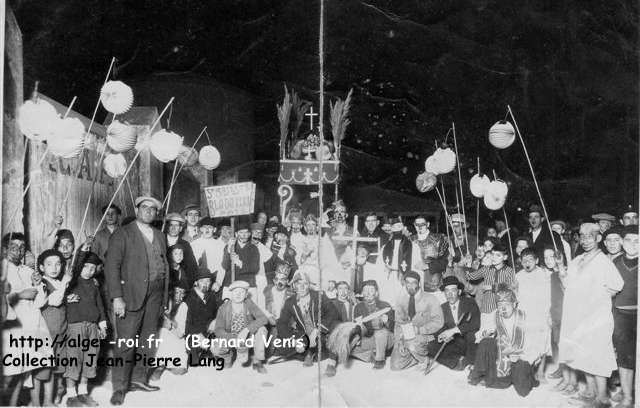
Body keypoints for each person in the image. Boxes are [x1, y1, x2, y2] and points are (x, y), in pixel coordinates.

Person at [105, 196, 169, 405]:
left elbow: (165, 266)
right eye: (145, 208)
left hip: (155, 294)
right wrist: (117, 298)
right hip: (130, 294)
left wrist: (164, 297)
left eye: (153, 209)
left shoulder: (160, 235)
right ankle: (120, 387)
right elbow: (111, 266)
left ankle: (139, 379)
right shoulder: (122, 233)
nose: (149, 212)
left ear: (156, 213)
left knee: (147, 339)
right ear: (136, 209)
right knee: (125, 342)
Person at [558, 223, 623, 407]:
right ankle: (591, 392)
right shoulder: (578, 260)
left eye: (590, 236)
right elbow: (567, 285)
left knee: (598, 356)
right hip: (578, 318)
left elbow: (616, 286)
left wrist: (596, 299)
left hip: (597, 318)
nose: (585, 240)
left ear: (598, 238)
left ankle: (602, 398)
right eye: (582, 236)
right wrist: (561, 270)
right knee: (583, 354)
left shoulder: (603, 262)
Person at [3, 232, 54, 406]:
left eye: (22, 247)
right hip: (12, 325)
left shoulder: (28, 271)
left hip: (33, 323)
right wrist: (19, 295)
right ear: (4, 250)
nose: (18, 251)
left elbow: (40, 302)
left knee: (25, 369)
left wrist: (37, 284)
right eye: (13, 247)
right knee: (11, 371)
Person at [468, 284, 539, 397]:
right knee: (486, 342)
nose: (503, 309)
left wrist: (521, 356)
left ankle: (516, 375)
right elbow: (480, 334)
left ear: (515, 304)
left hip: (520, 356)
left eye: (507, 305)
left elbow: (536, 344)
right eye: (500, 305)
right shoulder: (496, 315)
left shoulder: (525, 318)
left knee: (523, 391)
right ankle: (480, 373)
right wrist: (484, 333)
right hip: (502, 354)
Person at [276, 270, 342, 376]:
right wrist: (295, 340)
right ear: (293, 286)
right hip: (305, 334)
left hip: (323, 333)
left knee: (336, 327)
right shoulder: (290, 302)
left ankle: (332, 362)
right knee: (281, 347)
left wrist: (317, 330)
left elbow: (333, 313)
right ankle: (310, 352)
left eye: (305, 283)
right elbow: (281, 323)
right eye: (298, 283)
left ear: (309, 285)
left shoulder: (319, 296)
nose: (301, 287)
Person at [64, 250, 108, 407]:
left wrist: (102, 326)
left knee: (90, 360)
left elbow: (101, 307)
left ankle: (83, 393)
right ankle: (71, 395)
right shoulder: (70, 282)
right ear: (79, 267)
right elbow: (61, 297)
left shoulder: (95, 285)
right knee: (74, 360)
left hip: (93, 327)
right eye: (85, 266)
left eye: (92, 268)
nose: (89, 270)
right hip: (76, 326)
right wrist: (67, 297)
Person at [390, 271, 444, 370]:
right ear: (404, 283)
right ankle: (415, 354)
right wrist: (400, 343)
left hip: (427, 336)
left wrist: (420, 330)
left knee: (413, 345)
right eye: (407, 282)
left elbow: (438, 322)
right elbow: (398, 325)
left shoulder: (430, 299)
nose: (410, 286)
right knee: (395, 366)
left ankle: (423, 358)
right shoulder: (400, 300)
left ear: (419, 284)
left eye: (414, 282)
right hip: (407, 337)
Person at [37, 249, 70, 406]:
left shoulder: (59, 282)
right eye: (49, 264)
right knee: (44, 369)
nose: (54, 267)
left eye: (58, 263)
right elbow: (55, 300)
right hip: (47, 334)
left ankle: (55, 395)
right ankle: (41, 401)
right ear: (42, 267)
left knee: (58, 366)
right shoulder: (42, 283)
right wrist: (65, 284)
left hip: (61, 332)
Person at [213, 280, 268, 373]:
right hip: (231, 338)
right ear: (231, 294)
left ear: (246, 294)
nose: (238, 294)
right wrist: (232, 338)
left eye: (242, 292)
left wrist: (247, 330)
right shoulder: (223, 308)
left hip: (247, 338)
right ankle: (227, 357)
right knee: (216, 348)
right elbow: (218, 330)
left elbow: (263, 319)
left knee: (262, 330)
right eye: (235, 292)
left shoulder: (248, 303)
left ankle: (257, 360)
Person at [427, 276, 480, 371]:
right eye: (447, 291)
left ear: (459, 292)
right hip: (452, 343)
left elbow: (475, 324)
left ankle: (467, 360)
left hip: (467, 342)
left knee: (471, 335)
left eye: (453, 290)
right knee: (430, 346)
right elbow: (439, 327)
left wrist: (454, 331)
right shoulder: (442, 308)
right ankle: (457, 362)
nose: (449, 294)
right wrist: (442, 335)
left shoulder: (469, 302)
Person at [515, 248, 551, 382]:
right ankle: (528, 370)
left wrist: (548, 314)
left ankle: (541, 371)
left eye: (530, 260)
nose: (527, 263)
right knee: (526, 344)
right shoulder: (518, 275)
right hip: (524, 314)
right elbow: (515, 297)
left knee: (542, 343)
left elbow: (548, 296)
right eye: (524, 260)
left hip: (540, 314)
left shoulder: (544, 274)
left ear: (536, 260)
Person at [611, 225, 638, 408]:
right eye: (628, 240)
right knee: (624, 357)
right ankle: (628, 396)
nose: (633, 244)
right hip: (620, 315)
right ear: (622, 241)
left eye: (638, 241)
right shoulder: (616, 262)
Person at [466, 243, 516, 339]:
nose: (494, 257)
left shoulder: (509, 271)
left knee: (501, 337)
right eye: (493, 254)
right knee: (484, 336)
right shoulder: (486, 269)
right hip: (486, 309)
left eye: (498, 255)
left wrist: (492, 287)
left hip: (501, 309)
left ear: (505, 257)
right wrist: (468, 265)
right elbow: (470, 276)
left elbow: (511, 287)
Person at [180, 267, 219, 367]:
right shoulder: (188, 299)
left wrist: (215, 321)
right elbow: (186, 326)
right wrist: (198, 335)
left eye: (208, 281)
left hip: (209, 332)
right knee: (193, 361)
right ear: (196, 282)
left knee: (222, 355)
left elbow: (218, 312)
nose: (206, 284)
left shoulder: (212, 296)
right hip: (194, 334)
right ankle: (199, 352)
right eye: (202, 281)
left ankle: (208, 350)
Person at [351, 280, 394, 369]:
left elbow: (393, 327)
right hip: (370, 339)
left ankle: (379, 359)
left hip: (385, 339)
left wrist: (387, 322)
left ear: (376, 293)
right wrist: (359, 329)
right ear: (362, 293)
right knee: (349, 348)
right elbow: (361, 329)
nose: (368, 293)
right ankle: (372, 355)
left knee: (380, 332)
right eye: (365, 291)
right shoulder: (358, 307)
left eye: (371, 290)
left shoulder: (385, 305)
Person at [377, 216, 418, 307]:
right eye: (394, 227)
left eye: (399, 227)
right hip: (389, 278)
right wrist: (385, 272)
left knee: (405, 304)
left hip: (405, 279)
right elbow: (379, 266)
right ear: (391, 229)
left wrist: (407, 276)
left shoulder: (413, 246)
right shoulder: (385, 247)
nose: (397, 230)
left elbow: (416, 267)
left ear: (403, 228)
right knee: (389, 304)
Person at [152, 282, 189, 381]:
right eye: (177, 292)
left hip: (175, 338)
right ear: (172, 292)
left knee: (180, 370)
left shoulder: (183, 306)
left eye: (183, 293)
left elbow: (180, 334)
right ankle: (160, 365)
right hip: (161, 338)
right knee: (162, 334)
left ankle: (167, 364)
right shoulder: (164, 302)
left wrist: (170, 324)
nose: (180, 296)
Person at [411, 215, 449, 293]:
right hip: (414, 279)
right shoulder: (409, 240)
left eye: (422, 224)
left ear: (428, 224)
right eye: (417, 225)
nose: (419, 227)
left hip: (432, 279)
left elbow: (444, 262)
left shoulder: (439, 239)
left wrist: (427, 266)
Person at [191, 217, 226, 301]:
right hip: (197, 282)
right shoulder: (194, 244)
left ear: (214, 229)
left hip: (214, 282)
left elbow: (222, 266)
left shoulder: (220, 245)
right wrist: (194, 281)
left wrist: (218, 282)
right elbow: (191, 265)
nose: (207, 230)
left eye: (210, 227)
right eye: (204, 227)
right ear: (201, 229)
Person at [222, 223, 260, 300]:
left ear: (249, 234)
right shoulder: (230, 247)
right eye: (241, 232)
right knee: (229, 310)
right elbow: (225, 266)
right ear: (236, 234)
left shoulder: (253, 249)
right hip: (231, 284)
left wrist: (240, 263)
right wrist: (229, 250)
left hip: (248, 286)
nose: (244, 235)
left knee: (249, 310)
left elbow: (255, 269)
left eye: (246, 232)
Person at [164, 212, 198, 284]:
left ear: (180, 228)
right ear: (167, 226)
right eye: (171, 225)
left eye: (176, 225)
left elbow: (192, 267)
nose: (173, 228)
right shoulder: (160, 241)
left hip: (178, 284)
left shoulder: (185, 245)